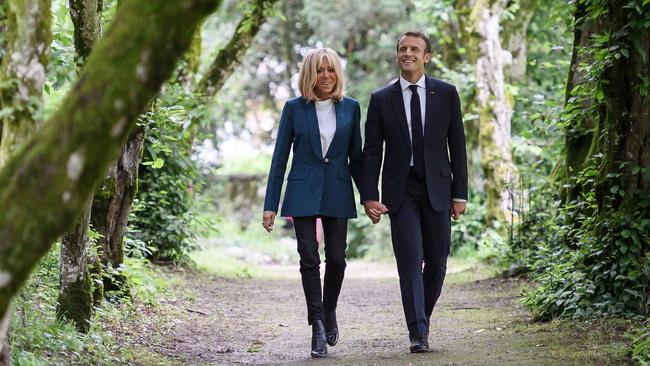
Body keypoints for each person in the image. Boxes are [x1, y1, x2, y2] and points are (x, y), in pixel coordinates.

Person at [360, 31, 468, 353]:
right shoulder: (381, 99)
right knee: (410, 261)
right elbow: (371, 151)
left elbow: (457, 145)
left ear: (426, 57)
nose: (408, 53)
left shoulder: (446, 94)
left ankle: (423, 318)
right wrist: (369, 195)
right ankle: (418, 332)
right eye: (403, 49)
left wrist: (459, 194)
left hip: (438, 188)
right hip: (400, 190)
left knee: (437, 263)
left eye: (414, 49)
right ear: (398, 56)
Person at [262, 48, 362, 358]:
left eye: (331, 69)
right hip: (302, 191)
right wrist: (270, 204)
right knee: (308, 259)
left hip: (338, 190)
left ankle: (328, 309)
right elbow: (280, 158)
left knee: (337, 260)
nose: (326, 76)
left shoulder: (351, 108)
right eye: (320, 70)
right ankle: (317, 324)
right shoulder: (294, 109)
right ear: (310, 74)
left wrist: (370, 196)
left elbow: (356, 158)